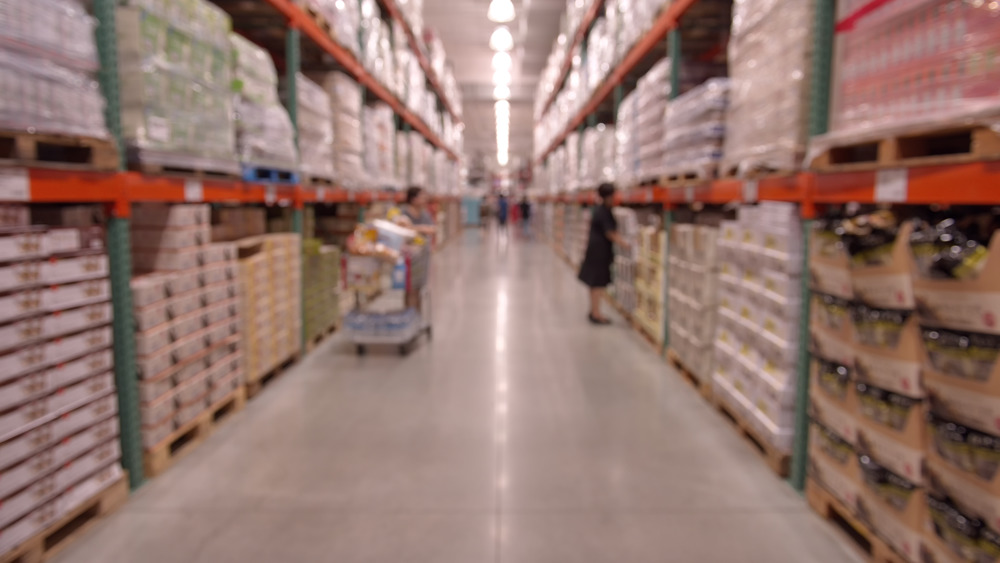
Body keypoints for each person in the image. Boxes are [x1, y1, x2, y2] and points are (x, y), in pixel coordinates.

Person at [577, 183, 629, 325]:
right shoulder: (603, 211)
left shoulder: (600, 209)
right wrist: (626, 244)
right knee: (597, 283)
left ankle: (594, 311)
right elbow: (610, 232)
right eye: (613, 195)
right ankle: (596, 313)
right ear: (609, 196)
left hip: (596, 249)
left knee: (595, 283)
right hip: (599, 252)